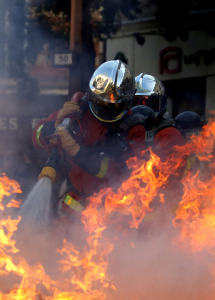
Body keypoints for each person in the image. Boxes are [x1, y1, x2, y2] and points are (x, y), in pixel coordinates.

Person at [32, 60, 146, 214]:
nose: (106, 108)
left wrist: (77, 152)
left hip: (111, 212)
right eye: (102, 102)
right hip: (72, 204)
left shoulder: (133, 129)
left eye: (113, 105)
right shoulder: (80, 111)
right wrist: (55, 124)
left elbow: (117, 171)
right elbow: (36, 137)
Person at [132, 73, 185, 158]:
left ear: (161, 104)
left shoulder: (169, 133)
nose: (141, 107)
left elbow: (157, 167)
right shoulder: (127, 129)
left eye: (147, 101)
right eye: (136, 102)